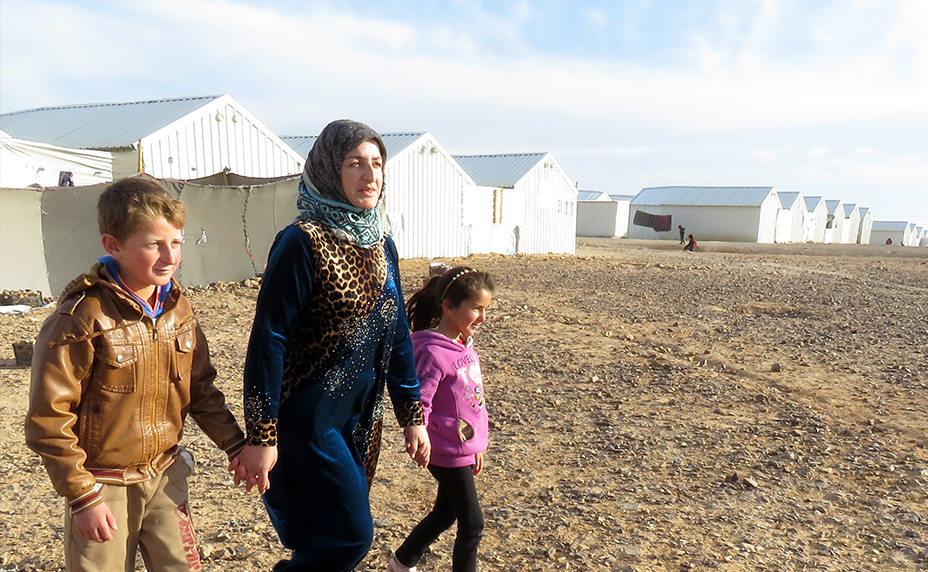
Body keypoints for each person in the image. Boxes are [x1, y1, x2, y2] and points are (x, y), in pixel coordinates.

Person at [233, 120, 430, 572]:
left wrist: (411, 416)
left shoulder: (382, 246)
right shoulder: (302, 243)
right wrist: (263, 435)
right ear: (328, 170)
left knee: (328, 533)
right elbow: (269, 344)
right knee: (350, 535)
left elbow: (398, 334)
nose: (370, 175)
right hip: (307, 419)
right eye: (354, 163)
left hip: (360, 420)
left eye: (376, 163)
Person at [25, 177, 246, 572]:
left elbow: (201, 390)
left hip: (165, 475)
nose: (169, 256)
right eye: (153, 244)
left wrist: (235, 446)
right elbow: (48, 419)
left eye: (176, 242)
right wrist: (82, 497)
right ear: (114, 245)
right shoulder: (81, 318)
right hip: (101, 485)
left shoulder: (179, 310)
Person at [388, 267, 496, 572]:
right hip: (445, 451)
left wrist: (477, 445)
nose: (483, 318)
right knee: (472, 524)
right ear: (448, 307)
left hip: (462, 448)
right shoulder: (433, 352)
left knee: (445, 513)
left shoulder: (463, 345)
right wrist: (417, 434)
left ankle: (401, 562)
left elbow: (472, 402)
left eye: (485, 309)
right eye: (476, 309)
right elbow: (419, 400)